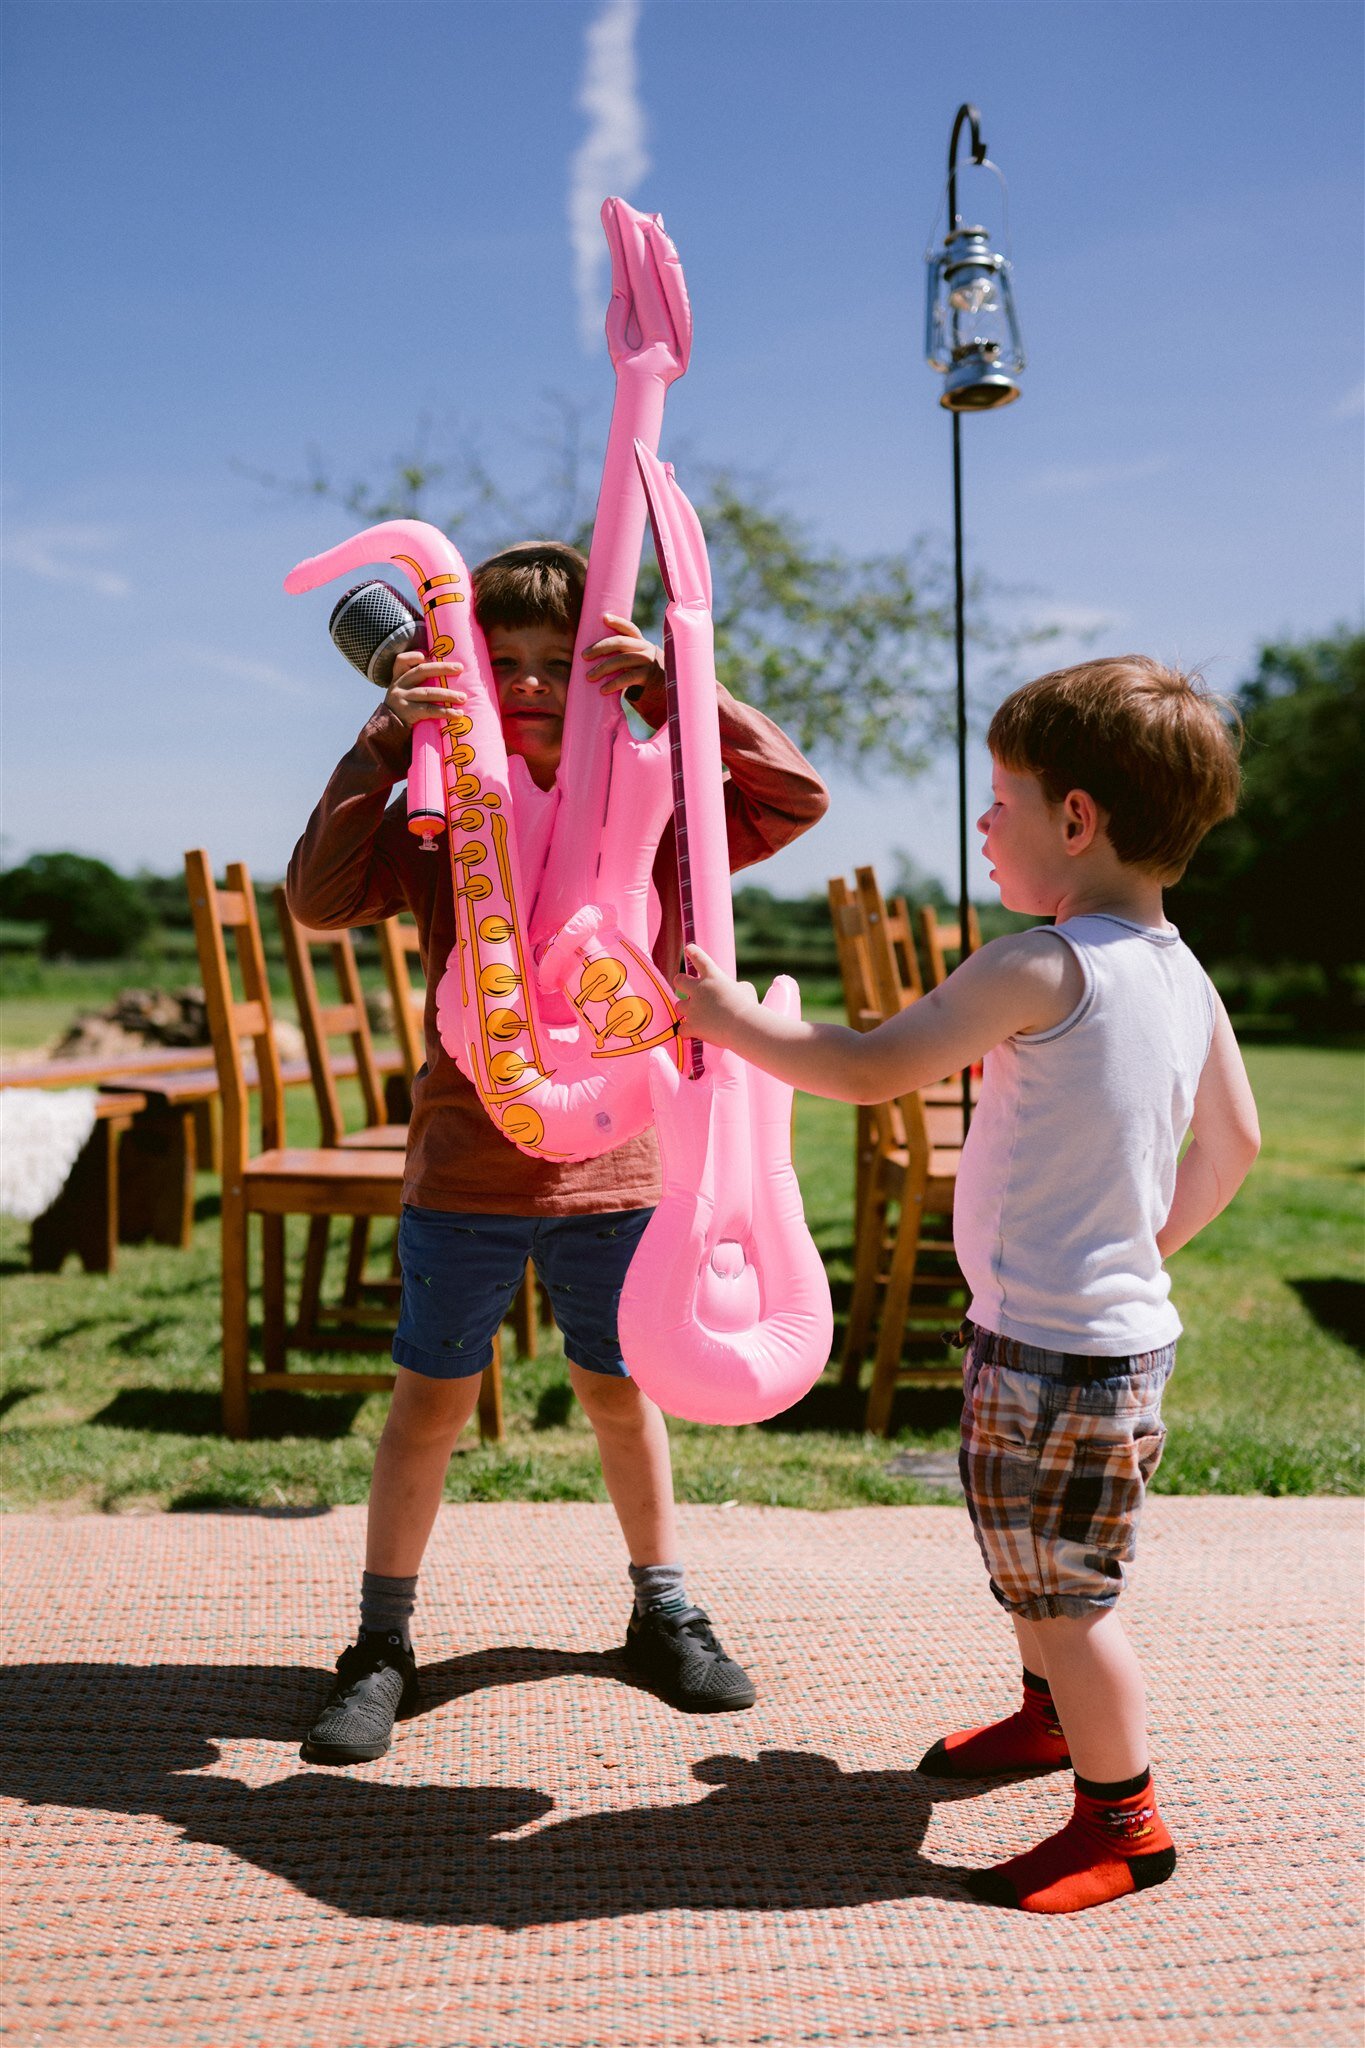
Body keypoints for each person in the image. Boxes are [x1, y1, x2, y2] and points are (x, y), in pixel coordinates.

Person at [675, 656, 1260, 1915]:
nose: (984, 825)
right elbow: (1239, 1144)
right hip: (1084, 1339)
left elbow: (873, 1064)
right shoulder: (1183, 971)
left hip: (1056, 1352)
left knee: (1070, 1591)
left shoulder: (1043, 966)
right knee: (1029, 1558)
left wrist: (727, 1020)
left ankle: (1126, 1824)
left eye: (1002, 800)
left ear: (1078, 818)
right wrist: (1139, 1254)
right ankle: (1050, 1720)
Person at [287, 540, 828, 1765]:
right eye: (504, 661)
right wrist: (389, 734)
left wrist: (684, 687)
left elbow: (792, 798)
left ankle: (664, 1603)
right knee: (431, 1403)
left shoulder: (664, 793)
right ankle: (381, 1642)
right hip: (470, 1165)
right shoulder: (443, 811)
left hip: (627, 1166)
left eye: (555, 663)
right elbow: (320, 896)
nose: (529, 685)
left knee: (620, 1391)